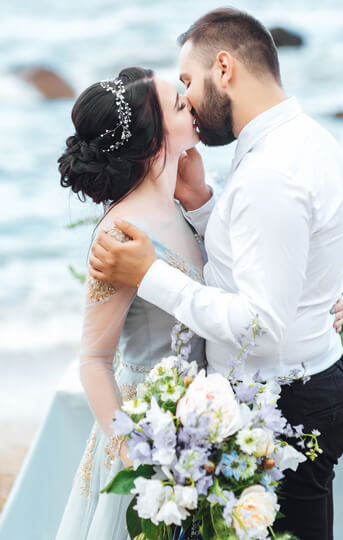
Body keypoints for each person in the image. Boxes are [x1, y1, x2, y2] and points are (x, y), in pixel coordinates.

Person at [89, 8, 343, 540]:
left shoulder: (271, 172)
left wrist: (150, 274)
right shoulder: (306, 139)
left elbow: (260, 325)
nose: (187, 100)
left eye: (187, 81)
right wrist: (203, 203)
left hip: (286, 401)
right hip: (308, 383)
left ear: (225, 68)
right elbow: (267, 255)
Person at [55, 67, 208, 540]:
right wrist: (133, 454)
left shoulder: (181, 207)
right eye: (180, 105)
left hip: (201, 425)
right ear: (155, 140)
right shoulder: (120, 233)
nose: (192, 105)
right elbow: (94, 360)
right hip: (146, 432)